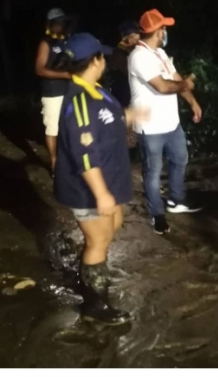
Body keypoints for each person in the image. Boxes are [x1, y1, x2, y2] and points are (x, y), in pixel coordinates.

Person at [52, 33, 145, 325]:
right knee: (98, 239)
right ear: (95, 60)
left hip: (107, 180)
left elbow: (107, 120)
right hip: (88, 187)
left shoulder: (96, 91)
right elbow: (85, 155)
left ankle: (92, 270)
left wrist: (129, 115)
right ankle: (95, 304)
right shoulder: (79, 102)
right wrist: (102, 193)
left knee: (112, 226)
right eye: (101, 55)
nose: (104, 59)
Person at [128, 9, 203, 235]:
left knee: (180, 159)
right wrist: (185, 86)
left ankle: (176, 200)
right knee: (153, 171)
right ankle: (157, 215)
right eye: (164, 28)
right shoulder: (139, 57)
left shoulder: (159, 52)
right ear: (157, 31)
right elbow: (163, 86)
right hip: (150, 126)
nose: (166, 31)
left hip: (171, 123)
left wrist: (193, 102)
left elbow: (176, 78)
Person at [35, 8, 73, 173]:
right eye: (57, 22)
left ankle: (69, 161)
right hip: (52, 93)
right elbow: (39, 69)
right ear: (50, 24)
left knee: (69, 127)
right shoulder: (45, 43)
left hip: (69, 90)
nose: (61, 24)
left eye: (62, 21)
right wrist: (64, 74)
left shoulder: (66, 41)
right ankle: (55, 164)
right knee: (52, 129)